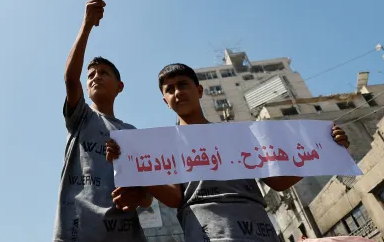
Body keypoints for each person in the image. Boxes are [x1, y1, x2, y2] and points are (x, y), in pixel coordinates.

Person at [106, 63, 351, 242]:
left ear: (199, 91)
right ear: (164, 100)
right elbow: (175, 199)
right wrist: (133, 164)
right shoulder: (164, 145)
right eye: (169, 89)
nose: (177, 92)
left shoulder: (237, 135)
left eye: (183, 85)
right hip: (208, 232)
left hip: (260, 231)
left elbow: (277, 182)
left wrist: (327, 150)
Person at [53, 0, 150, 242]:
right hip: (77, 233)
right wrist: (86, 25)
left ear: (120, 86)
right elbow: (70, 79)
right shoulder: (81, 117)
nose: (96, 76)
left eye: (104, 73)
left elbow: (148, 195)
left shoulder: (132, 132)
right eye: (91, 74)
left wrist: (137, 197)